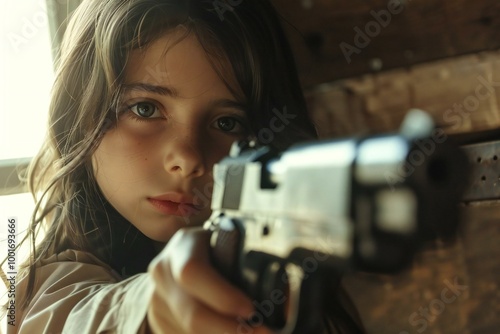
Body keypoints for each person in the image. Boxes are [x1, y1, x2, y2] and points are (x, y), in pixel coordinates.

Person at [9, 0, 364, 333]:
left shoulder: (289, 270)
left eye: (227, 123)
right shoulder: (42, 287)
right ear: (78, 119)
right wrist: (153, 306)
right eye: (145, 109)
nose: (189, 157)